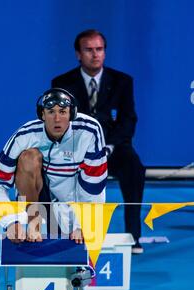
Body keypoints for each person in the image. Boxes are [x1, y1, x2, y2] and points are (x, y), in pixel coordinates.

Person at [52, 29, 146, 254]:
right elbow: (58, 120)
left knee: (134, 167)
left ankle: (133, 235)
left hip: (113, 150)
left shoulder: (122, 81)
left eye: (99, 49)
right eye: (89, 50)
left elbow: (128, 120)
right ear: (78, 54)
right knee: (53, 169)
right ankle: (62, 234)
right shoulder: (62, 82)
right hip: (75, 151)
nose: (95, 54)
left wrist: (108, 147)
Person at [0, 88, 108, 244]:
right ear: (42, 114)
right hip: (37, 210)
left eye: (62, 112)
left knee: (81, 256)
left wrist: (83, 224)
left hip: (78, 207)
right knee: (28, 158)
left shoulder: (89, 131)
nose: (57, 119)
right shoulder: (25, 135)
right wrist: (10, 221)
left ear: (72, 113)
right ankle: (33, 225)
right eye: (51, 112)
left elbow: (93, 186)